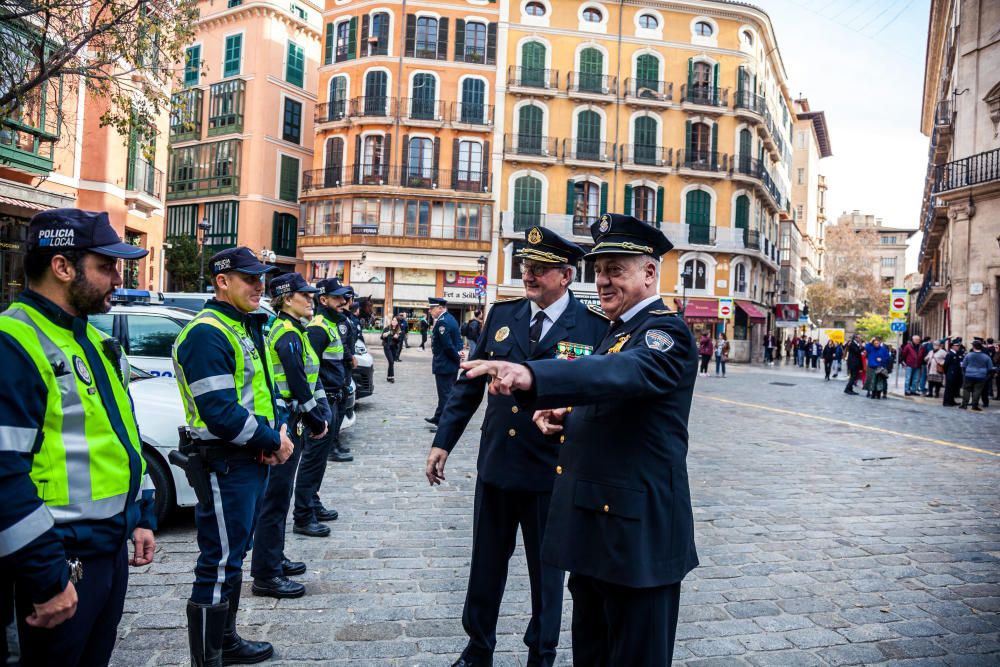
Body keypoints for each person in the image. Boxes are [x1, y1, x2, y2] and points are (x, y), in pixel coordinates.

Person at [463, 213, 699, 666]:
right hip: (599, 538)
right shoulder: (620, 331)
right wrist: (568, 418)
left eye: (617, 269)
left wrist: (531, 373)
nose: (604, 281)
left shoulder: (663, 331)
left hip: (637, 546)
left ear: (649, 273)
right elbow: (619, 403)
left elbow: (623, 374)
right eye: (600, 270)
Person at [425, 227, 608, 667]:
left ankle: (540, 653)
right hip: (497, 465)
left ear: (565, 275)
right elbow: (468, 385)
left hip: (552, 472)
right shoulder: (502, 315)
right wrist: (443, 442)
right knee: (485, 565)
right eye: (526, 266)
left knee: (547, 574)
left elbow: (598, 398)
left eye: (540, 268)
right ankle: (478, 647)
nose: (529, 274)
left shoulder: (594, 327)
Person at [0, 209, 155, 666]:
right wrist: (47, 577)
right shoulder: (14, 342)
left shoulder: (88, 338)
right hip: (56, 558)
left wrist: (141, 512)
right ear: (63, 267)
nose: (117, 279)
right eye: (105, 267)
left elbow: (119, 437)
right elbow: (4, 474)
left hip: (103, 552)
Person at [172, 246, 295, 665]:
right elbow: (220, 411)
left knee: (233, 554)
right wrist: (271, 441)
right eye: (250, 279)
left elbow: (260, 391)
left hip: (245, 458)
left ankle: (226, 641)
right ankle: (208, 656)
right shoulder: (209, 331)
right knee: (219, 560)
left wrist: (273, 434)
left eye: (261, 278)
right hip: (224, 461)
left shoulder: (241, 324)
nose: (260, 286)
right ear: (222, 282)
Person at [250, 273, 331, 600]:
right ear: (286, 298)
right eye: (305, 295)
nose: (310, 300)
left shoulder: (292, 331)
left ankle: (274, 557)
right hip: (287, 420)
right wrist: (316, 419)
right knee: (276, 499)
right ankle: (267, 574)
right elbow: (297, 383)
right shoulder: (287, 334)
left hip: (290, 418)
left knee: (279, 497)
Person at [297, 277, 353, 540]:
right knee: (312, 460)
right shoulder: (318, 328)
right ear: (324, 300)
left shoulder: (332, 324)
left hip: (334, 398)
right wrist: (317, 409)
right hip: (324, 400)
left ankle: (313, 502)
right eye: (338, 298)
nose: (344, 302)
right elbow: (311, 372)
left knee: (319, 461)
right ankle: (303, 514)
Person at [425, 298, 463, 426]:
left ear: (440, 308)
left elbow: (447, 346)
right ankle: (438, 417)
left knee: (445, 395)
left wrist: (457, 357)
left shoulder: (443, 322)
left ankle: (445, 424)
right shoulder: (450, 319)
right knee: (446, 393)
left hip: (444, 364)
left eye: (432, 308)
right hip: (449, 364)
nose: (430, 311)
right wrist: (458, 355)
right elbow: (458, 341)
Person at [959, 340, 994, 411]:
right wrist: (986, 375)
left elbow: (964, 366)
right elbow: (990, 368)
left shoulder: (968, 355)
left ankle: (964, 404)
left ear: (973, 346)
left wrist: (965, 373)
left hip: (969, 374)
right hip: (981, 375)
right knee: (977, 390)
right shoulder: (986, 357)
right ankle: (974, 406)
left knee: (966, 389)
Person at [942, 338, 964, 406]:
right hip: (951, 374)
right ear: (953, 346)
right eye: (957, 346)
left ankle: (951, 401)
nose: (958, 347)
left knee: (953, 388)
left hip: (956, 374)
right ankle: (946, 402)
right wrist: (947, 373)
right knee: (949, 389)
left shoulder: (956, 354)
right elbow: (945, 365)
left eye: (959, 346)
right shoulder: (950, 354)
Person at [381, 315, 403, 382]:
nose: (393, 321)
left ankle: (388, 377)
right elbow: (382, 337)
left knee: (391, 362)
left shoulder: (399, 330)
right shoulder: (387, 328)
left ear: (397, 322)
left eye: (395, 320)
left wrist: (397, 337)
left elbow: (400, 340)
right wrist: (386, 334)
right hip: (387, 347)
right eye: (393, 320)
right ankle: (392, 377)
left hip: (394, 348)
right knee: (391, 361)